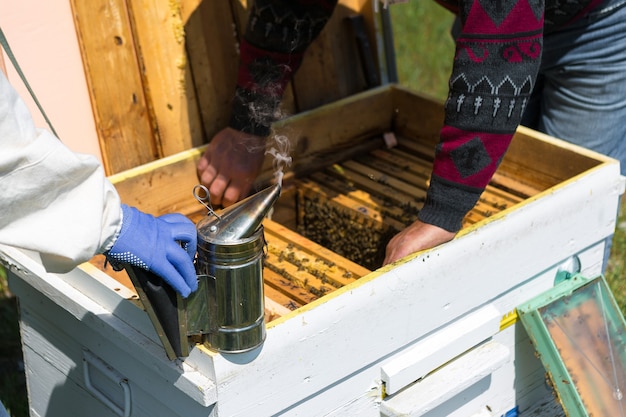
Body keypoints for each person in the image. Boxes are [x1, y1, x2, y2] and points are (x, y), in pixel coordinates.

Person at [197, 0, 626, 266]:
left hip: (596, 25)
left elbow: (499, 46)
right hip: (490, 16)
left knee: (571, 222)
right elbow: (294, 5)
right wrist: (247, 128)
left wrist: (441, 213)